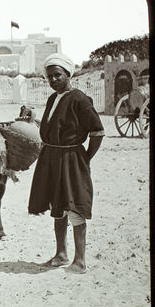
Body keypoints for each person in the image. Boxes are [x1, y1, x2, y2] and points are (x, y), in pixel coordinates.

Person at [28, 53, 105, 273]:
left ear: (68, 74)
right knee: (57, 206)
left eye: (57, 75)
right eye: (50, 77)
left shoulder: (80, 99)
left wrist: (85, 158)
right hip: (51, 159)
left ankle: (80, 261)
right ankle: (61, 254)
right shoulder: (53, 98)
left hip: (72, 159)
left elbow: (97, 132)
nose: (53, 80)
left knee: (74, 205)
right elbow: (54, 126)